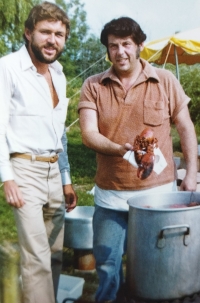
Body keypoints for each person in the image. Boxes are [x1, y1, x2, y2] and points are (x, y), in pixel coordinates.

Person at [78, 17, 197, 303]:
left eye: (126, 44)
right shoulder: (93, 85)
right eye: (113, 46)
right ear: (107, 50)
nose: (120, 52)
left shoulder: (165, 80)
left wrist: (191, 172)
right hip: (110, 196)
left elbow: (185, 127)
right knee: (107, 264)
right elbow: (88, 134)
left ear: (139, 46)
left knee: (158, 266)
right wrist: (120, 149)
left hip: (157, 199)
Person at [0, 2, 77, 303]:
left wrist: (66, 178)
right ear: (29, 32)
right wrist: (7, 178)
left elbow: (59, 133)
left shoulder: (58, 74)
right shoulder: (7, 68)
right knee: (36, 258)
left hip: (53, 171)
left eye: (59, 34)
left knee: (55, 253)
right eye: (45, 32)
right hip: (25, 169)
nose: (52, 40)